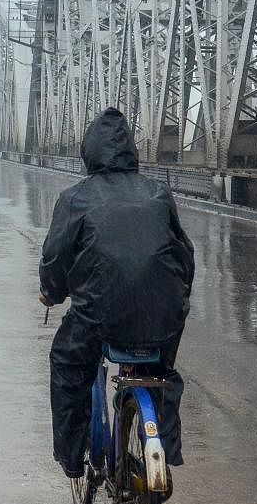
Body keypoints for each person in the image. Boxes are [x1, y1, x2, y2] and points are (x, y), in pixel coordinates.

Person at [39, 107, 194, 477]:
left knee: (68, 364)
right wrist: (177, 297)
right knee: (159, 371)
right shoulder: (158, 192)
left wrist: (51, 292)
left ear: (88, 152)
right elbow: (184, 254)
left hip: (99, 316)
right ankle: (164, 446)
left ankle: (73, 458)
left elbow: (57, 256)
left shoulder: (76, 197)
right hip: (162, 311)